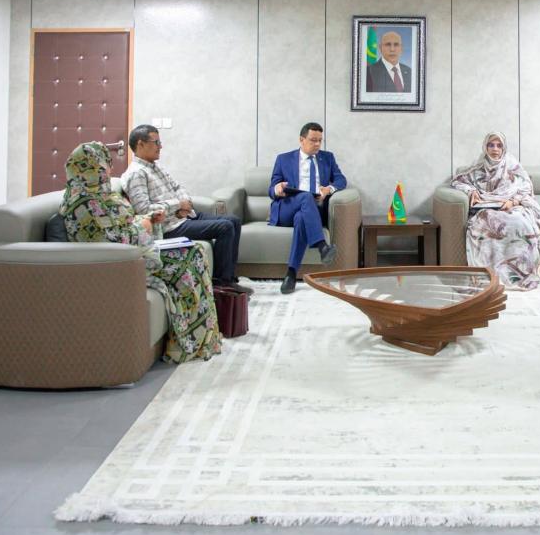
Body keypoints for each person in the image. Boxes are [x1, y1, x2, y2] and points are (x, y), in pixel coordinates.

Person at [60, 141, 222, 364]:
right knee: (188, 258)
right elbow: (110, 241)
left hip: (136, 250)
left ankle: (201, 335)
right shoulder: (83, 203)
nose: (109, 169)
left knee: (194, 251)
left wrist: (148, 220)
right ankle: (187, 341)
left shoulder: (100, 193)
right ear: (89, 168)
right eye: (104, 165)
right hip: (123, 262)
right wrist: (143, 226)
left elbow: (122, 223)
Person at [122, 124, 251, 296]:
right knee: (225, 227)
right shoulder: (136, 173)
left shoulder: (156, 166)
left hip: (183, 217)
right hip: (169, 227)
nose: (161, 146)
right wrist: (177, 205)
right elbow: (143, 209)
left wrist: (185, 204)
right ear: (141, 144)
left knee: (233, 221)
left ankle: (230, 278)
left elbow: (178, 187)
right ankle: (221, 284)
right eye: (156, 142)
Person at [451, 132, 540, 290]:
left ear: (504, 148)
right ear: (485, 147)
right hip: (487, 206)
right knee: (486, 221)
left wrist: (513, 201)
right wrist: (471, 191)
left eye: (499, 145)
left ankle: (518, 274)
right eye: (491, 145)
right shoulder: (478, 167)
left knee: (519, 220)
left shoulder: (512, 166)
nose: (495, 149)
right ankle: (490, 275)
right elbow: (458, 181)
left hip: (512, 205)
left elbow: (526, 186)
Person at [269, 122, 346, 294]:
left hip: (312, 211)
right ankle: (322, 246)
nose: (317, 144)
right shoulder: (284, 159)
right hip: (287, 207)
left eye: (320, 140)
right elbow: (271, 189)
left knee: (301, 218)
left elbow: (341, 180)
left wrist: (328, 189)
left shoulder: (327, 158)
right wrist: (277, 188)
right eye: (313, 140)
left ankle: (291, 274)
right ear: (301, 140)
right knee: (305, 196)